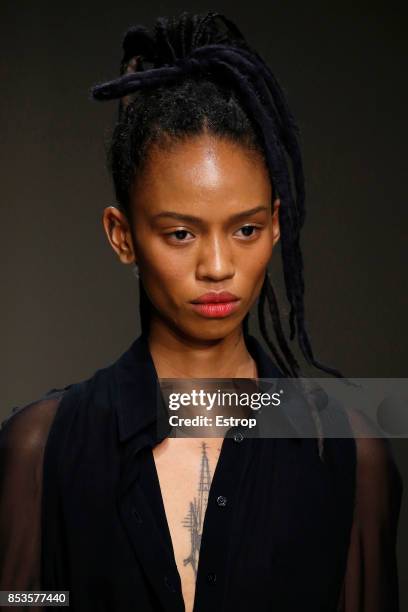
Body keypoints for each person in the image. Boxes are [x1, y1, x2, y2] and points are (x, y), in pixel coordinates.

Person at [0, 10, 403, 612]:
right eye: (181, 233)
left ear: (276, 225)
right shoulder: (40, 449)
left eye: (245, 229)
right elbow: (30, 603)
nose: (218, 266)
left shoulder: (346, 453)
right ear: (122, 235)